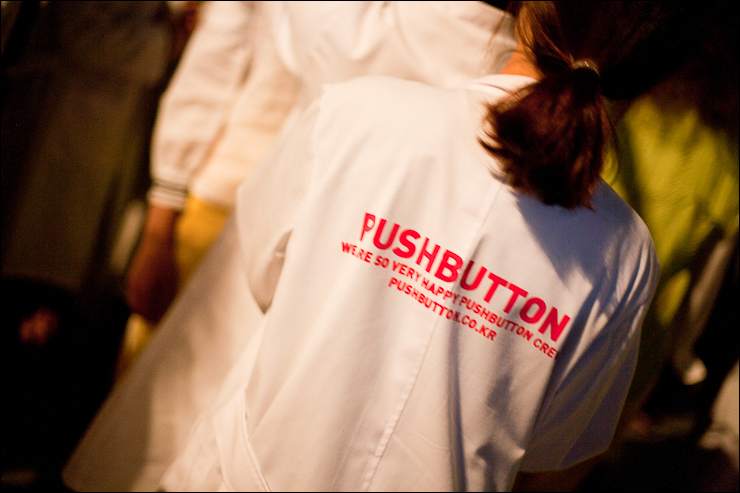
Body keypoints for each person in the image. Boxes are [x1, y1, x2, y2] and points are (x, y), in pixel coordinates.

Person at [150, 2, 708, 490]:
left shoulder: (355, 114)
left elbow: (264, 273)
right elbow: (552, 445)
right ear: (655, 75)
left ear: (526, 11)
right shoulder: (623, 254)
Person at [63, 2, 517, 490]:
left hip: (274, 229)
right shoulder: (501, 51)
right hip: (302, 241)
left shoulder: (362, 37)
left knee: (186, 427)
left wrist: (163, 210)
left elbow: (239, 56)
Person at [119, 1, 517, 373]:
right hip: (233, 204)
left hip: (290, 223)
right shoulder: (497, 47)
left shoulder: (364, 29)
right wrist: (161, 218)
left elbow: (218, 62)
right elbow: (212, 66)